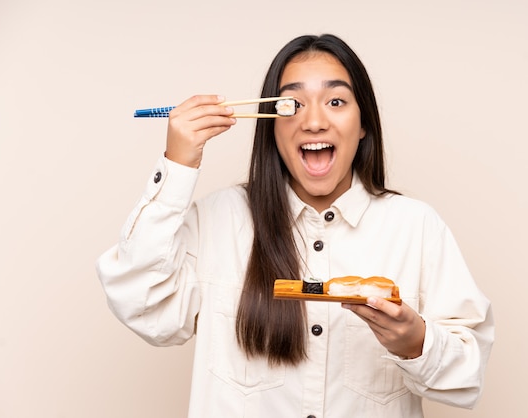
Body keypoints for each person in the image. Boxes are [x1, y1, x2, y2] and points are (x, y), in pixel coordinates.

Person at [96, 33, 494, 418]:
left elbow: (467, 374)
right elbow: (141, 304)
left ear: (364, 125)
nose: (315, 121)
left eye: (336, 101)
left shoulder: (416, 226)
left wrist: (416, 344)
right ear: (271, 124)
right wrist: (177, 164)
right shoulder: (219, 219)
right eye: (293, 105)